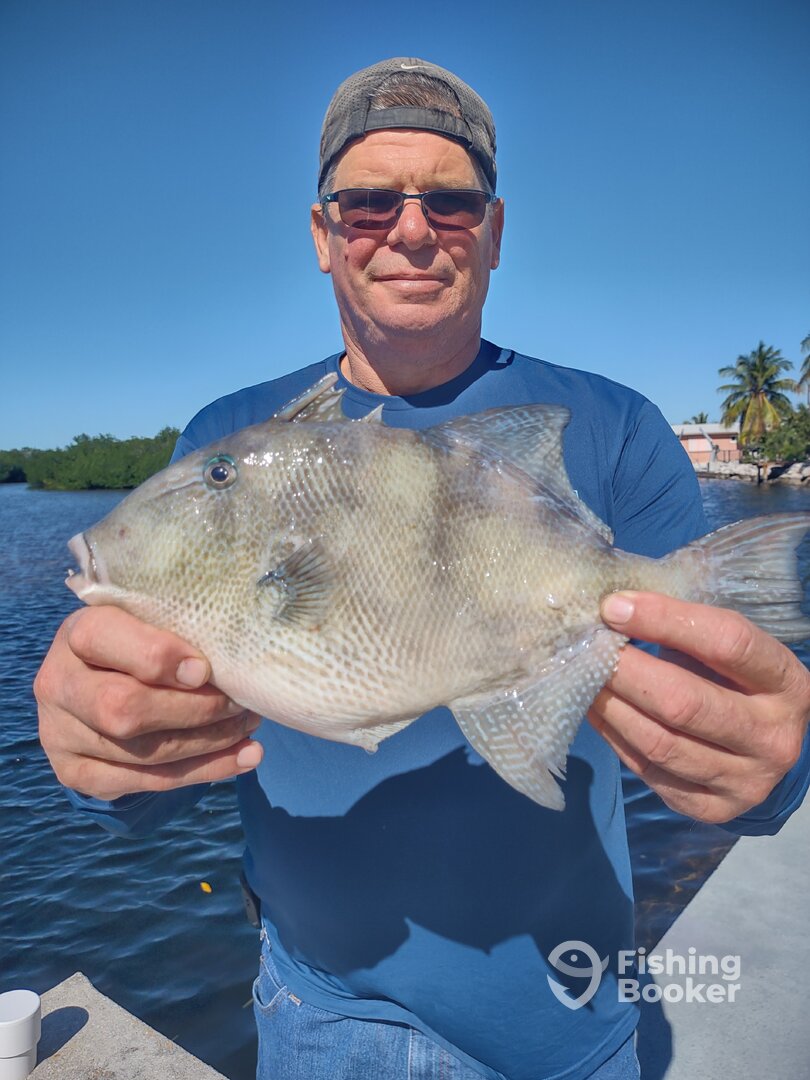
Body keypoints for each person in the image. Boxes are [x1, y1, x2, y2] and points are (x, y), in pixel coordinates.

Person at [35, 58, 810, 1080]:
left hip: (570, 1018)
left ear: (494, 231)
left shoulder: (615, 427)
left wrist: (774, 766)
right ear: (323, 234)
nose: (410, 230)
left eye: (451, 201)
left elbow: (733, 744)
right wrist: (98, 752)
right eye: (368, 204)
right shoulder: (233, 435)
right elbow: (160, 765)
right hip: (321, 1012)